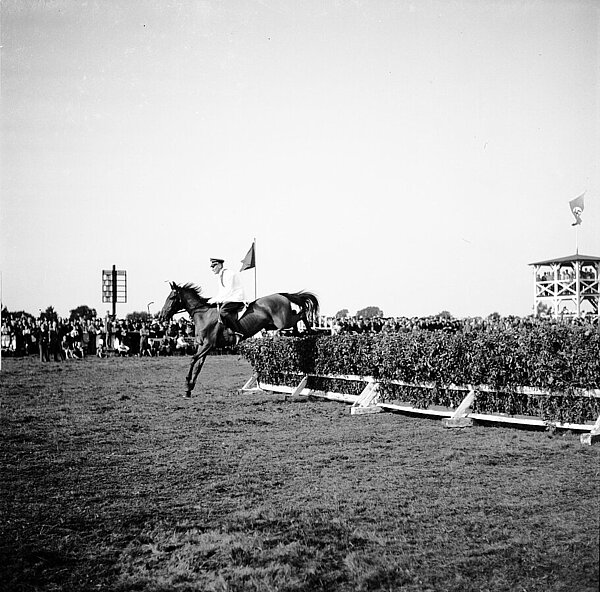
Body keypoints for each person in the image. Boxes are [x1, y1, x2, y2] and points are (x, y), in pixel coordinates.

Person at [207, 257, 246, 342]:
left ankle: (238, 332)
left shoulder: (228, 274)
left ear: (220, 265)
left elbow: (228, 291)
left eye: (214, 266)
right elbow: (221, 293)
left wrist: (215, 300)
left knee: (223, 311)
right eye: (211, 266)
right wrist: (211, 300)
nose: (212, 269)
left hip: (236, 298)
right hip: (229, 298)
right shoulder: (221, 276)